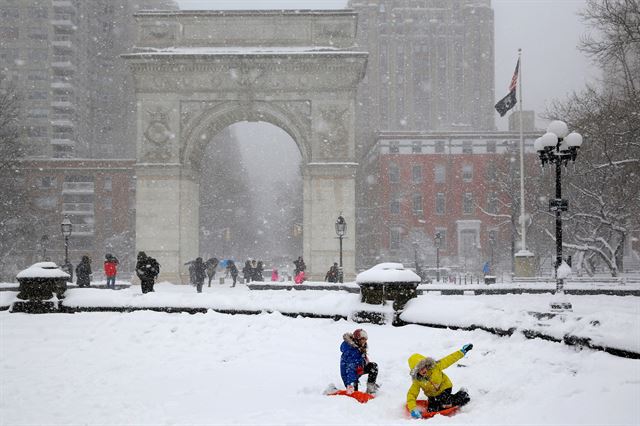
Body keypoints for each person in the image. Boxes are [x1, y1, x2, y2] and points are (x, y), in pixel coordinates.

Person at [407, 344, 473, 419]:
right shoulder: (417, 381)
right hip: (432, 395)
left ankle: (462, 394)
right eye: (419, 369)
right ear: (416, 372)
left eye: (423, 367)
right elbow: (411, 394)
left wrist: (462, 352)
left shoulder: (435, 367)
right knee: (432, 410)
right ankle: (441, 403)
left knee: (445, 403)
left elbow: (449, 359)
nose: (422, 370)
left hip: (444, 388)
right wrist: (413, 409)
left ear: (426, 364)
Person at [340, 329, 379, 395]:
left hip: (358, 369)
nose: (365, 341)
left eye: (365, 339)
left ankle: (371, 388)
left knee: (373, 366)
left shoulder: (359, 347)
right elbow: (350, 369)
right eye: (362, 339)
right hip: (349, 375)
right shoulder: (351, 351)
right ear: (357, 339)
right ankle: (352, 388)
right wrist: (350, 384)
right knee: (355, 393)